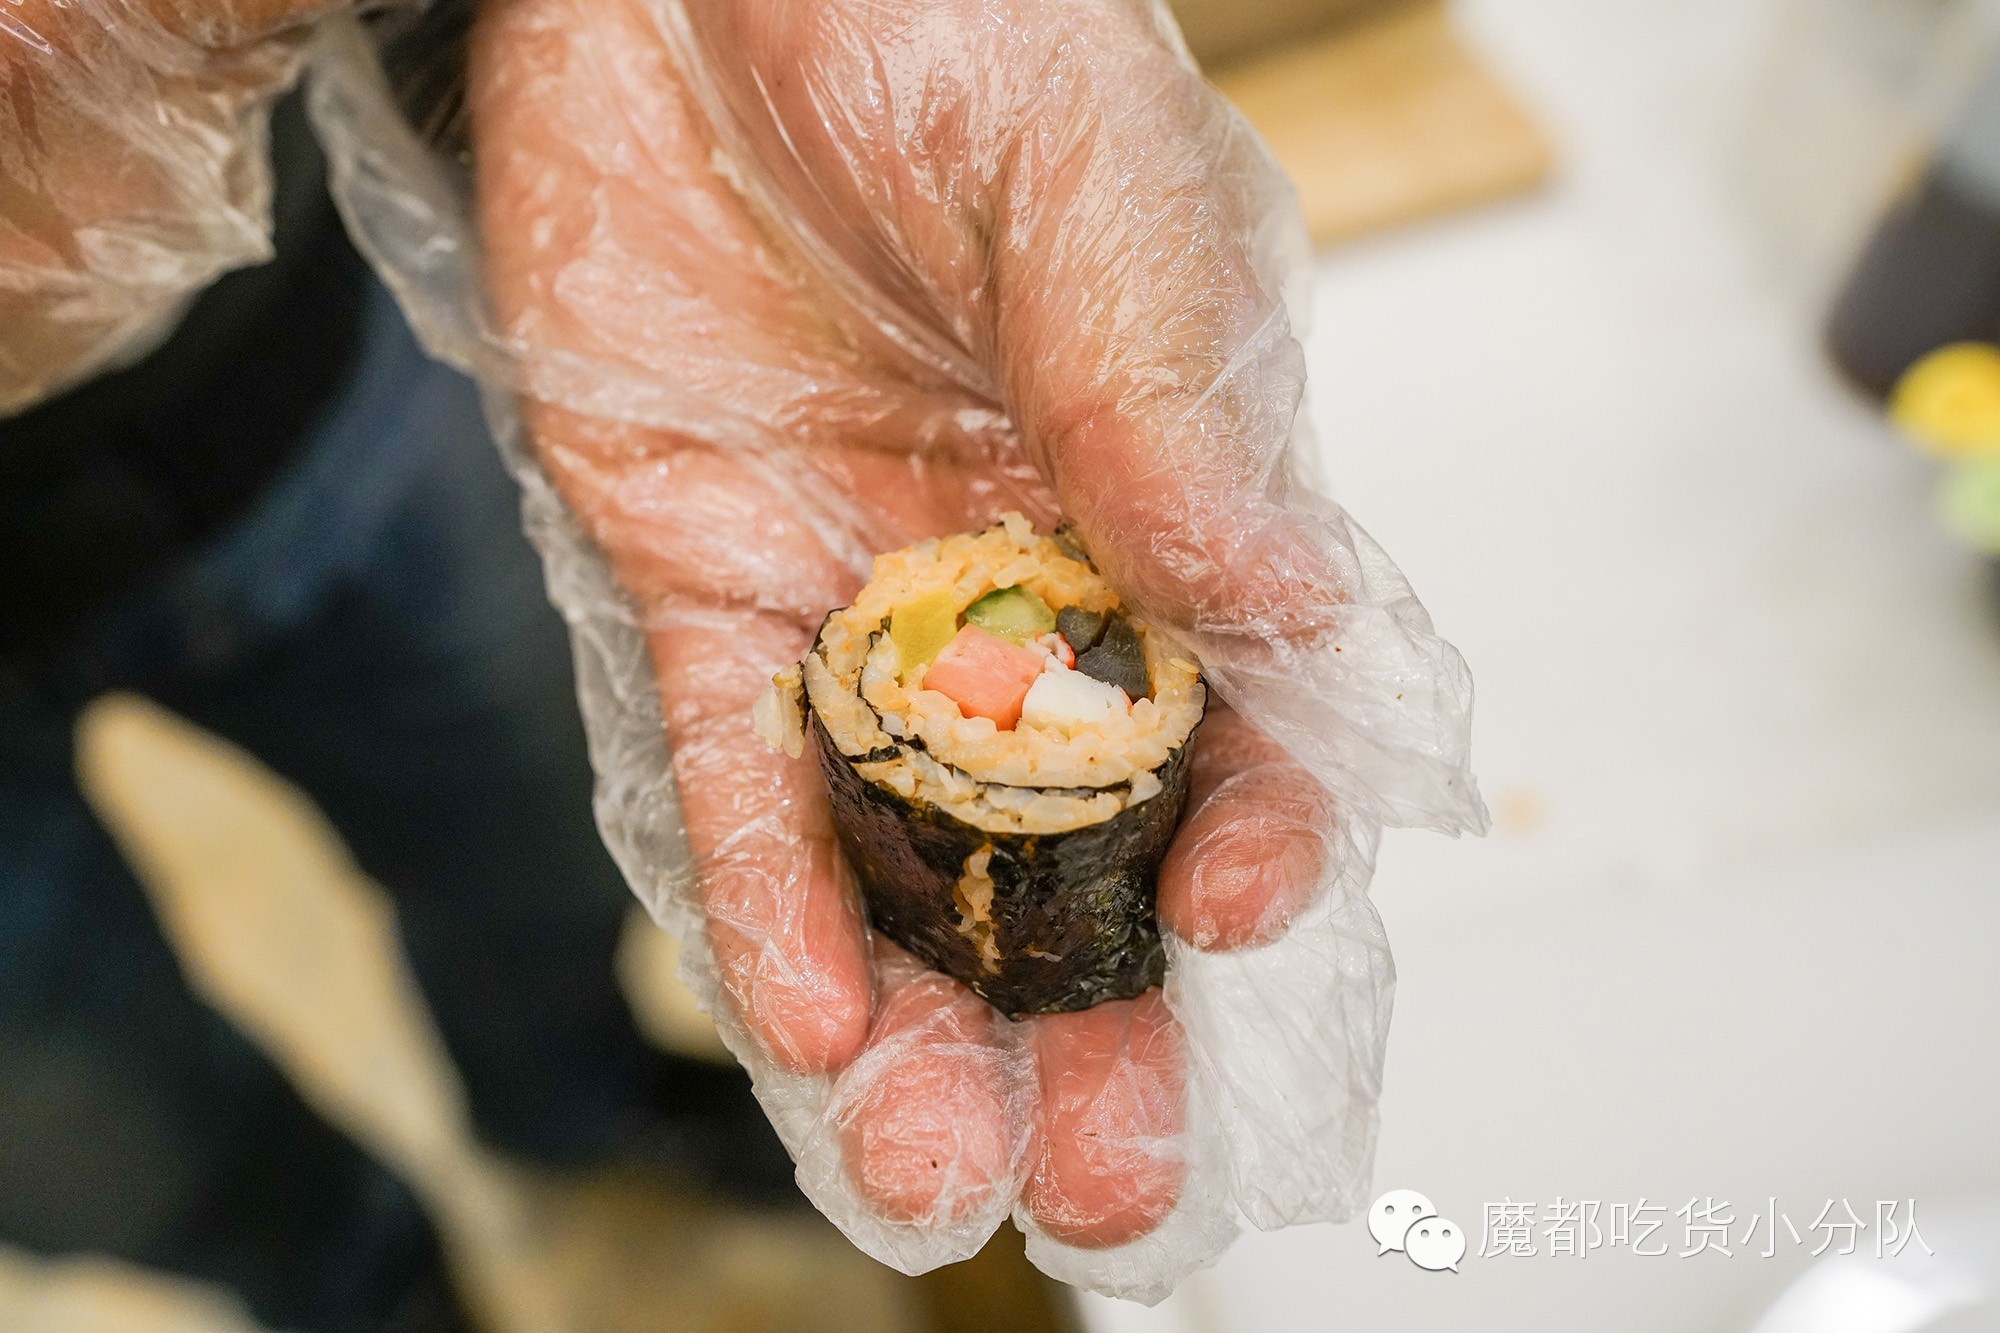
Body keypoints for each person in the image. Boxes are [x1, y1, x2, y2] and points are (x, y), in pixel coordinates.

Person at [4, 0, 1384, 1323]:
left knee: (523, 844)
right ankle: (354, 1286)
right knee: (93, 1127)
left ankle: (570, 1109)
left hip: (281, 358)